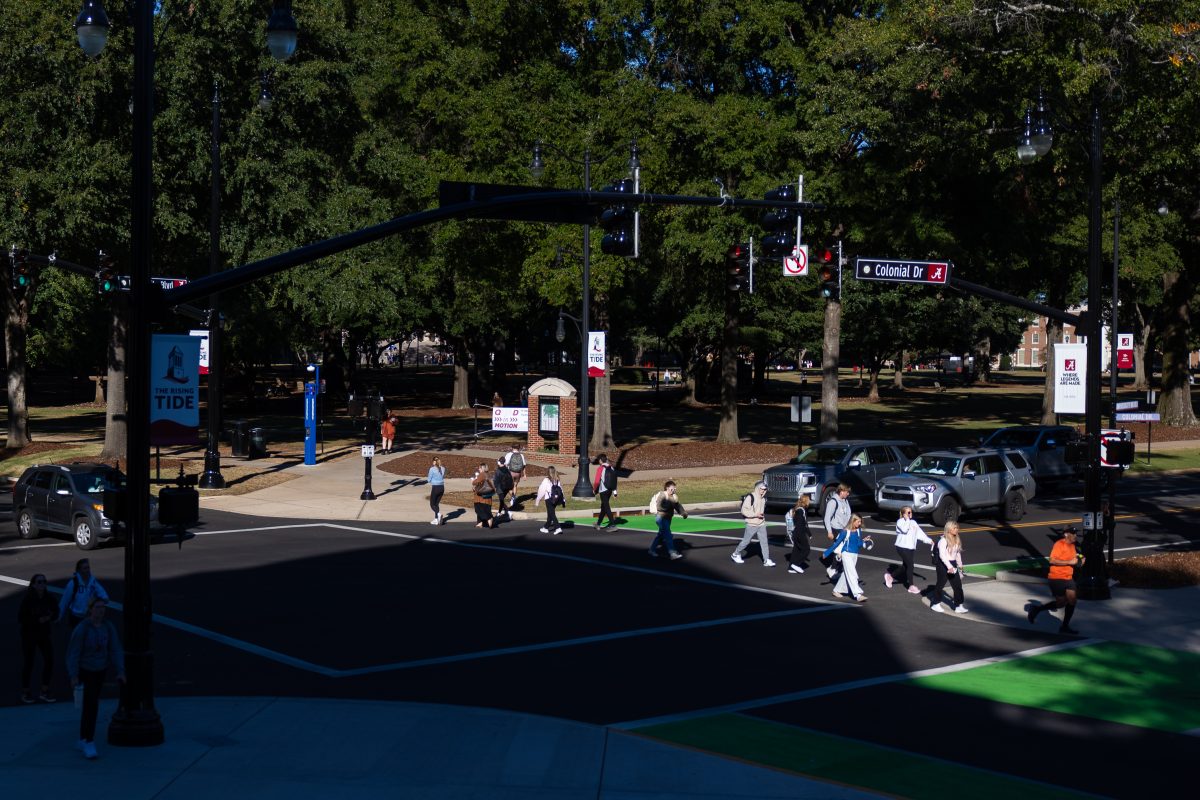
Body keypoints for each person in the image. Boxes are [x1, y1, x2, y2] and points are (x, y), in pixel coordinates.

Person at [66, 597, 125, 760]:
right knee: (91, 705)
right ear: (90, 609)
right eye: (98, 607)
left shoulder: (107, 626)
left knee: (90, 705)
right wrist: (74, 675)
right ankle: (89, 741)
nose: (101, 610)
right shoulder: (83, 628)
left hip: (101, 670)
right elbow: (74, 652)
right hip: (87, 670)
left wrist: (120, 670)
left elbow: (115, 649)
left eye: (103, 607)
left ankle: (83, 739)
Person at [1027, 526, 1083, 634]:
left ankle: (1064, 627)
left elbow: (1074, 557)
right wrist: (1069, 562)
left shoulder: (1072, 545)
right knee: (1061, 603)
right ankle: (1036, 609)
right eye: (1073, 533)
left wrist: (1080, 558)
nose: (1075, 536)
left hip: (1068, 578)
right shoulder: (1059, 544)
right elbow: (1052, 560)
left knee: (1072, 600)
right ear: (1066, 534)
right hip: (1056, 578)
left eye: (1076, 533)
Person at [18, 573, 58, 704]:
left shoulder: (49, 598)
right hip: (29, 635)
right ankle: (26, 691)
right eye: (39, 582)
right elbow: (21, 618)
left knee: (49, 660)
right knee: (29, 663)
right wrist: (37, 620)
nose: (42, 584)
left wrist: (49, 617)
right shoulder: (28, 599)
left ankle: (44, 690)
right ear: (34, 584)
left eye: (44, 581)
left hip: (44, 634)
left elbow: (56, 612)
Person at [885, 506, 934, 593]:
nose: (910, 514)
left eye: (911, 512)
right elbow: (904, 530)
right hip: (901, 547)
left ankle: (890, 577)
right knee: (910, 565)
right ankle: (911, 586)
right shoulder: (900, 522)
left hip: (910, 548)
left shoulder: (913, 522)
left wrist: (929, 541)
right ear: (903, 514)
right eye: (908, 512)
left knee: (905, 566)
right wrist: (907, 519)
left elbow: (920, 534)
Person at [824, 514, 871, 602]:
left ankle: (836, 590)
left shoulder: (858, 530)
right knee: (852, 573)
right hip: (846, 554)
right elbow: (837, 543)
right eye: (858, 522)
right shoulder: (845, 531)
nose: (860, 523)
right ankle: (858, 595)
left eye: (860, 521)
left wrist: (865, 542)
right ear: (853, 521)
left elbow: (858, 543)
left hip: (854, 555)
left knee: (847, 573)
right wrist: (827, 552)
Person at [731, 482, 775, 567]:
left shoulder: (763, 499)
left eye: (764, 489)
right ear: (757, 488)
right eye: (761, 489)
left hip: (761, 523)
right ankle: (735, 554)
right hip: (751, 524)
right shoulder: (750, 497)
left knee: (764, 542)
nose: (763, 491)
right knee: (746, 541)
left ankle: (766, 560)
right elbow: (744, 511)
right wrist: (755, 515)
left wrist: (760, 517)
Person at [930, 521, 968, 614]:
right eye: (954, 528)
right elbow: (942, 556)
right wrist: (949, 567)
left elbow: (957, 555)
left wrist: (961, 568)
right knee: (941, 584)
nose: (956, 530)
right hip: (943, 564)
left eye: (957, 528)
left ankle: (959, 605)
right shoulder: (943, 540)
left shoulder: (956, 539)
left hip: (953, 564)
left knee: (958, 585)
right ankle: (936, 603)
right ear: (949, 529)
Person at [58, 559, 108, 629]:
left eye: (88, 567)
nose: (87, 570)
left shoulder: (92, 582)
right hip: (75, 618)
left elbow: (102, 593)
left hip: (88, 616)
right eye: (85, 568)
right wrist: (58, 616)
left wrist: (103, 598)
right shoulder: (73, 583)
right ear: (79, 570)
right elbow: (64, 601)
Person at [649, 481, 687, 560]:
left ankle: (652, 550)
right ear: (667, 488)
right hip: (661, 518)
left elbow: (677, 506)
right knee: (668, 535)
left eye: (674, 488)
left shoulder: (674, 496)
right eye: (672, 489)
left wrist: (683, 513)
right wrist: (670, 503)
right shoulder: (663, 495)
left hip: (668, 518)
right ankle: (672, 553)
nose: (673, 490)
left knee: (661, 535)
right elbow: (660, 507)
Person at [821, 484, 853, 577]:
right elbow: (827, 518)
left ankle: (837, 569)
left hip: (844, 529)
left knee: (843, 549)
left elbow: (849, 514)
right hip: (836, 528)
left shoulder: (846, 501)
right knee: (840, 549)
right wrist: (829, 531)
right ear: (841, 491)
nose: (848, 494)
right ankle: (833, 568)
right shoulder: (833, 502)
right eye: (847, 492)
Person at [785, 494, 812, 574]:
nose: (809, 501)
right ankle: (795, 564)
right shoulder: (800, 511)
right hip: (799, 533)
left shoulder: (798, 509)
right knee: (806, 549)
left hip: (796, 533)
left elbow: (804, 523)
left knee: (796, 550)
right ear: (806, 501)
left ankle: (790, 567)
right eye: (809, 500)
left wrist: (809, 534)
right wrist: (803, 535)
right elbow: (801, 524)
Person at [534, 466, 565, 535]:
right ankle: (545, 528)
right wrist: (563, 499)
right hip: (556, 499)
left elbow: (541, 490)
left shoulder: (546, 480)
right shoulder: (557, 480)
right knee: (550, 513)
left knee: (552, 514)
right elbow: (561, 490)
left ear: (548, 472)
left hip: (549, 499)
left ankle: (558, 528)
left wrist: (537, 500)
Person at [593, 453, 618, 529]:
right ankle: (598, 523)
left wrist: (594, 490)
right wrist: (615, 492)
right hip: (610, 490)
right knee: (603, 507)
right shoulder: (612, 468)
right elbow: (615, 481)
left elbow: (597, 481)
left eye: (598, 460)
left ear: (600, 460)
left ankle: (613, 524)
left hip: (603, 490)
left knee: (606, 507)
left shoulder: (600, 468)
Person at [471, 462, 496, 529]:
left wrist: (473, 480)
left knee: (478, 509)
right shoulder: (489, 474)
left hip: (480, 496)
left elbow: (475, 482)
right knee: (486, 509)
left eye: (479, 468)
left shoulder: (482, 474)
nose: (479, 469)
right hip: (488, 495)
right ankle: (480, 523)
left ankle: (489, 518)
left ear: (482, 468)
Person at [493, 457, 515, 522]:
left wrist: (495, 487)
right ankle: (500, 513)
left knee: (501, 501)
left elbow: (495, 480)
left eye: (498, 461)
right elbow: (510, 479)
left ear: (499, 462)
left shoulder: (498, 470)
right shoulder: (507, 469)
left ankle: (508, 512)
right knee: (501, 500)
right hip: (507, 487)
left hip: (500, 488)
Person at [427, 456, 446, 525]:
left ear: (434, 462)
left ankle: (438, 514)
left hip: (435, 488)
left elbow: (429, 479)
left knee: (432, 504)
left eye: (433, 461)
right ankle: (436, 519)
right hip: (442, 487)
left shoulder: (432, 469)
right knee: (436, 504)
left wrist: (431, 480)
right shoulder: (443, 468)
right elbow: (442, 476)